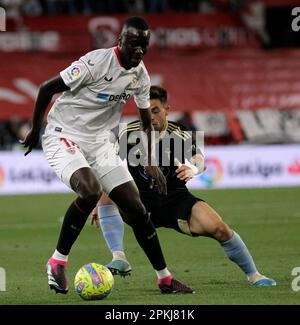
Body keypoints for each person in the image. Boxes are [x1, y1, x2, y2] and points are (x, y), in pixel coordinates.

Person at [21, 17, 193, 294]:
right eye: (135, 44)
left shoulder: (140, 75)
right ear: (121, 41)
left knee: (136, 209)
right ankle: (57, 261)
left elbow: (146, 123)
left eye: (144, 46)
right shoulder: (94, 63)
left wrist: (150, 161)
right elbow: (46, 88)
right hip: (64, 133)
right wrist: (34, 129)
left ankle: (165, 279)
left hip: (101, 143)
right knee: (90, 192)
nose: (139, 51)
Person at [91, 85, 276, 287]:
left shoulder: (177, 134)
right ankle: (119, 257)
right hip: (141, 203)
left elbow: (200, 160)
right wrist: (98, 201)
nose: (150, 117)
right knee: (109, 191)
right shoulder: (128, 133)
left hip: (175, 201)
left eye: (155, 111)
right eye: (145, 111)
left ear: (166, 110)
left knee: (220, 229)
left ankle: (254, 275)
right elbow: (108, 167)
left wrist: (193, 170)